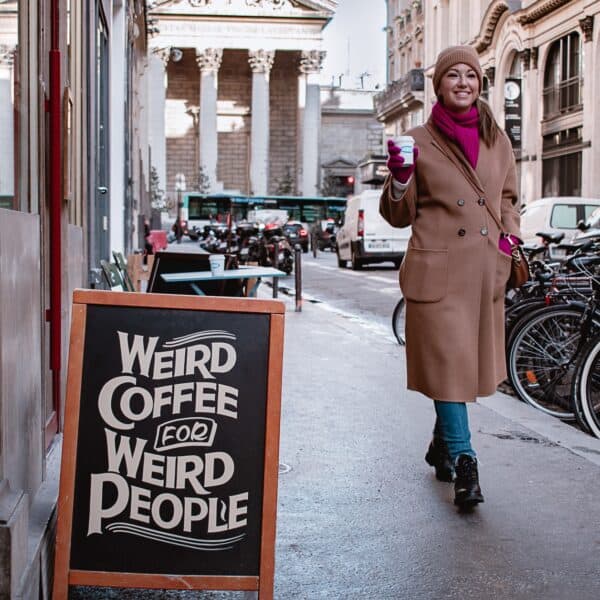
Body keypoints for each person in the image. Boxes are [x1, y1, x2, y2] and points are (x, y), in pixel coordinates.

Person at [379, 46, 521, 508]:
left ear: (480, 84)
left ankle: (442, 446)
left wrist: (509, 241)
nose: (463, 82)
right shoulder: (417, 139)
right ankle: (464, 460)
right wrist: (400, 177)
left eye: (471, 76)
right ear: (438, 85)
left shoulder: (497, 139)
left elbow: (509, 200)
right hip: (437, 272)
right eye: (453, 75)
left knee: (459, 367)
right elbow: (398, 215)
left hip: (482, 271)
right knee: (449, 364)